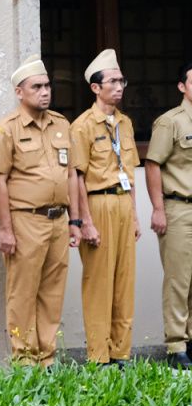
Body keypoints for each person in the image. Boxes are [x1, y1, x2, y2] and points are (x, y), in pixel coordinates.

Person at [0, 54, 81, 367]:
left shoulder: (61, 124)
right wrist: (5, 229)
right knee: (23, 291)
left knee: (52, 291)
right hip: (25, 219)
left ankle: (46, 357)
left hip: (59, 217)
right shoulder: (6, 131)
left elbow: (71, 175)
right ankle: (24, 359)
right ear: (19, 92)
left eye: (47, 86)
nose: (45, 92)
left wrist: (75, 221)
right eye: (37, 87)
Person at [71, 49, 140, 367]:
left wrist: (135, 213)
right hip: (97, 204)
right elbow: (77, 176)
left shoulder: (125, 123)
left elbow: (130, 173)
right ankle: (99, 356)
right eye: (112, 81)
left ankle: (121, 352)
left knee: (124, 280)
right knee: (99, 282)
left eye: (121, 80)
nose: (119, 86)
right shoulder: (83, 125)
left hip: (123, 204)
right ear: (95, 88)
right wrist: (85, 220)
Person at [144, 60, 192, 369]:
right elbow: (152, 164)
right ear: (182, 87)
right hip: (179, 208)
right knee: (179, 279)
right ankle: (177, 345)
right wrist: (158, 208)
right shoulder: (170, 122)